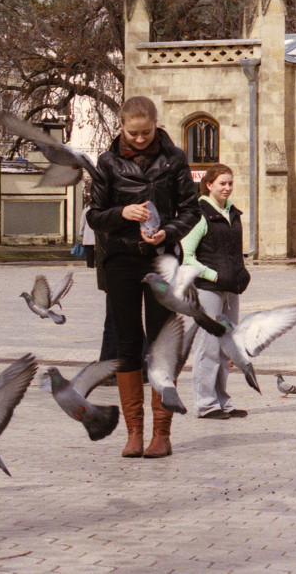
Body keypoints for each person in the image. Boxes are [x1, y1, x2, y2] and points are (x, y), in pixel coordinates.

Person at [87, 96, 199, 459]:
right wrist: (123, 211)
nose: (138, 138)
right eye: (132, 133)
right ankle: (134, 431)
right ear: (121, 126)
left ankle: (161, 434)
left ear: (156, 125)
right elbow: (95, 216)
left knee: (161, 344)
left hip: (160, 259)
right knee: (126, 343)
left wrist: (168, 232)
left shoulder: (175, 158)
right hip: (119, 260)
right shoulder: (107, 162)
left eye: (146, 132)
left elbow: (192, 211)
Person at [180, 164, 251, 420]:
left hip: (231, 289)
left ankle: (223, 401)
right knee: (208, 348)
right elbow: (186, 256)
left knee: (226, 349)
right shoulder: (200, 213)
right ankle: (206, 404)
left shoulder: (232, 212)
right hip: (208, 289)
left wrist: (240, 275)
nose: (227, 188)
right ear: (209, 185)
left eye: (230, 183)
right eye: (222, 183)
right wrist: (214, 275)